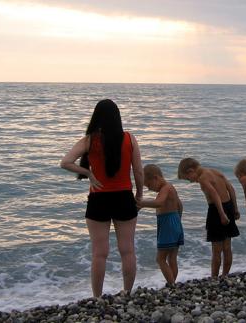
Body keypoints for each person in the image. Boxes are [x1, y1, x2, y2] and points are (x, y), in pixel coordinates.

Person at [60, 99, 143, 297]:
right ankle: (127, 292)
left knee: (99, 253)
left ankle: (97, 297)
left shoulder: (90, 140)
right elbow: (138, 171)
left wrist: (88, 173)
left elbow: (65, 162)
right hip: (124, 198)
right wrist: (139, 195)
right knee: (127, 250)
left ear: (96, 116)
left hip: (99, 199)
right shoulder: (130, 139)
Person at [177, 158, 240, 278]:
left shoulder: (202, 179)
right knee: (227, 247)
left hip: (217, 211)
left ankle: (214, 277)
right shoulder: (216, 172)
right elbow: (231, 189)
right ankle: (225, 275)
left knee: (216, 250)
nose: (190, 181)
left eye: (187, 178)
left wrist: (221, 214)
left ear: (191, 171)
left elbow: (214, 194)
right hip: (228, 206)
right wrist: (235, 209)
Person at [136, 164, 184, 286]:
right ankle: (173, 283)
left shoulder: (166, 188)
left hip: (167, 224)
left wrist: (142, 203)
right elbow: (180, 205)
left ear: (156, 178)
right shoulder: (171, 187)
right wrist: (178, 221)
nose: (150, 189)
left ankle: (171, 284)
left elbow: (159, 203)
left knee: (160, 259)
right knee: (172, 258)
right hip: (175, 223)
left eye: (149, 185)